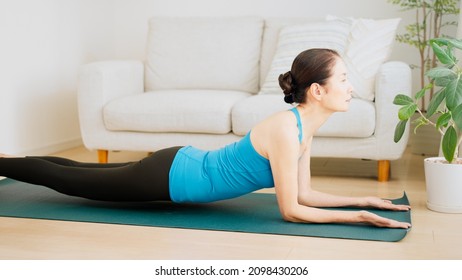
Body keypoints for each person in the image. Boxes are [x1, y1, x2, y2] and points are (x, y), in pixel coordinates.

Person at [0, 48, 411, 229]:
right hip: (169, 176)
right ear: (318, 90)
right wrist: (355, 218)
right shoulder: (287, 129)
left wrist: (362, 199)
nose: (351, 86)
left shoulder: (304, 127)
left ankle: (8, 157)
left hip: (178, 163)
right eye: (343, 79)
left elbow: (304, 194)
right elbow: (291, 211)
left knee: (83, 171)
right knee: (73, 183)